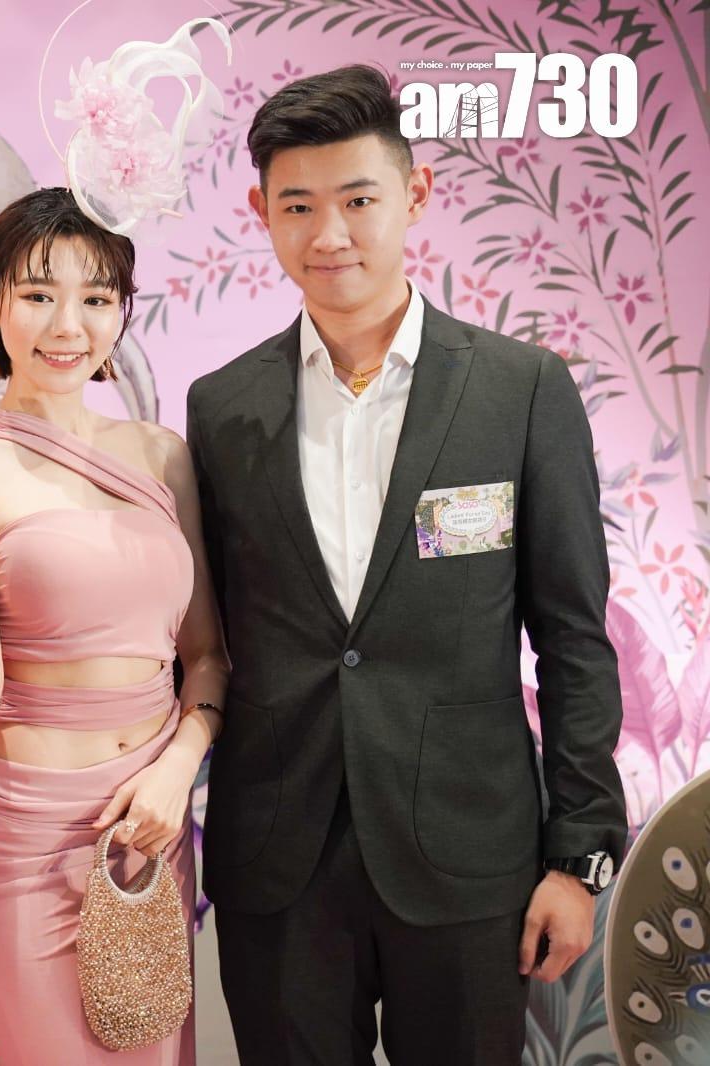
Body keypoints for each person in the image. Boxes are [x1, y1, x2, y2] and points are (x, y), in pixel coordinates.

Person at [186, 64, 628, 1064]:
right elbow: (207, 635)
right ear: (261, 213)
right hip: (279, 860)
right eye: (298, 205)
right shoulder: (221, 406)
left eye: (358, 200)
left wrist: (579, 856)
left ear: (415, 194)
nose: (329, 233)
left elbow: (572, 638)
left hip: (472, 858)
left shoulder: (519, 388)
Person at [0, 182, 228, 1063]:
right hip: (23, 837)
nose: (68, 325)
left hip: (148, 825)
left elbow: (207, 658)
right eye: (38, 294)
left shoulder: (162, 456)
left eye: (96, 299)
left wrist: (177, 770)